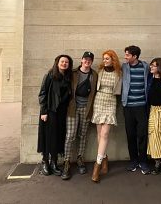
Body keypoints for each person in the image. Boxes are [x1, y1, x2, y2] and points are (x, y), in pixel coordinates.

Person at [61, 51, 98, 180]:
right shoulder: (73, 73)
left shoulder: (94, 75)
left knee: (82, 135)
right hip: (72, 109)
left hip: (86, 109)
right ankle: (66, 162)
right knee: (70, 135)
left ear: (92, 62)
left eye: (90, 60)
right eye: (85, 59)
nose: (87, 61)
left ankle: (80, 158)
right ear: (81, 60)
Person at [37, 54, 73, 176]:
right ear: (57, 63)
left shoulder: (68, 77)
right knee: (48, 137)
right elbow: (42, 93)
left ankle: (54, 162)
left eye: (66, 62)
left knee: (58, 137)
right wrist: (43, 111)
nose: (64, 64)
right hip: (50, 111)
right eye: (62, 61)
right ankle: (45, 162)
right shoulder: (50, 75)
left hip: (61, 112)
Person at [91, 50, 122, 183]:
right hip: (99, 101)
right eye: (104, 58)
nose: (105, 60)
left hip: (111, 102)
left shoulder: (118, 73)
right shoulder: (100, 71)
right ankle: (104, 158)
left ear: (113, 59)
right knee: (99, 134)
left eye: (107, 58)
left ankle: (96, 166)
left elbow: (120, 90)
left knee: (104, 135)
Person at [121, 45, 150, 175]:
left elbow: (157, 71)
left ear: (135, 56)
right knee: (130, 134)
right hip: (128, 107)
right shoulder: (124, 67)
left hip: (142, 107)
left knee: (142, 135)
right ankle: (133, 160)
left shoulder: (145, 66)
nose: (125, 57)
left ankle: (143, 161)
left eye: (127, 55)